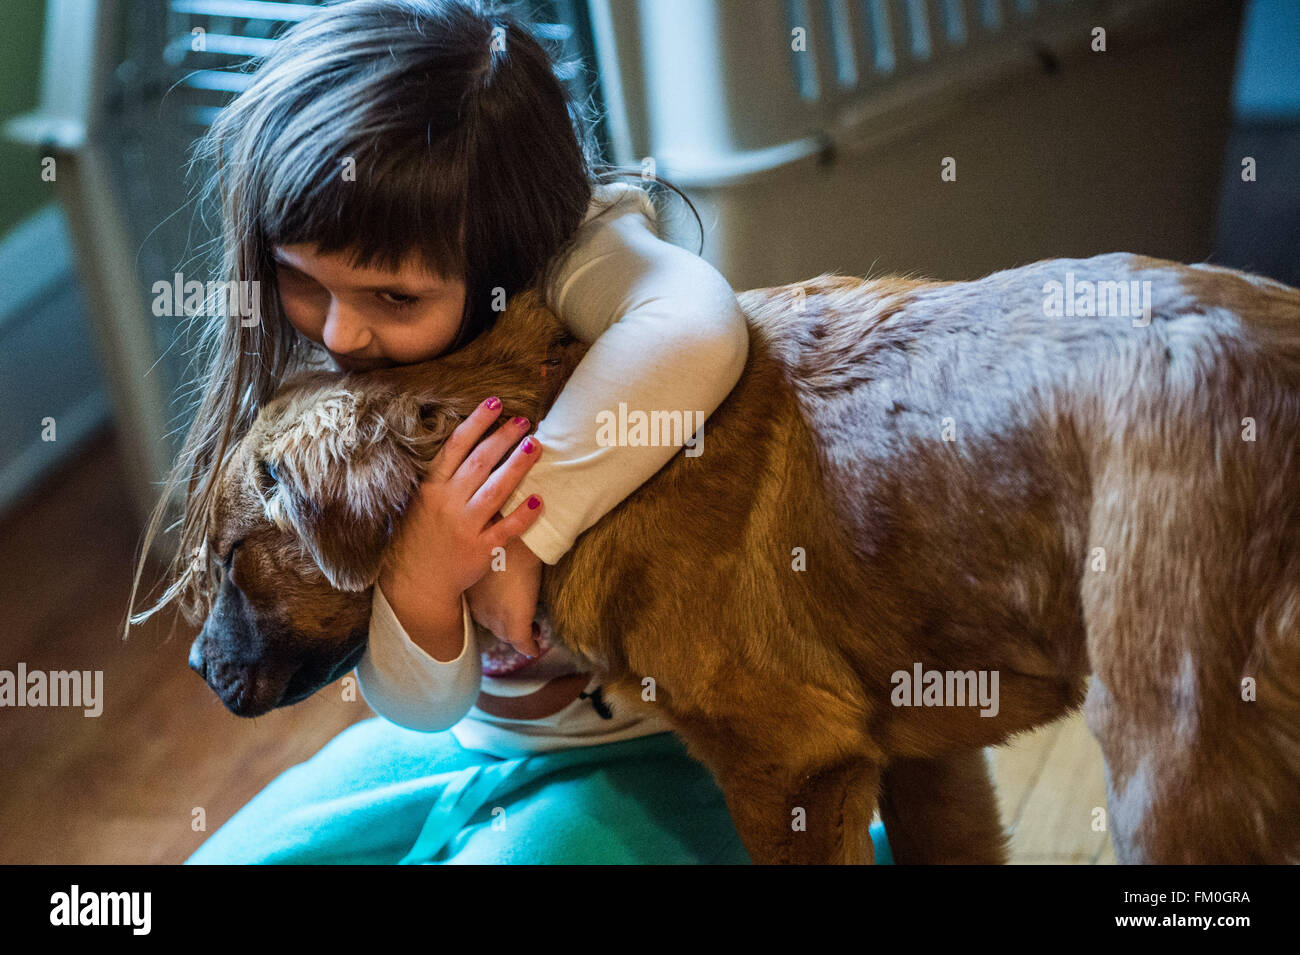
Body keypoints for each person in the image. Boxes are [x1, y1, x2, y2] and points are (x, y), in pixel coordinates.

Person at [132, 0, 890, 864]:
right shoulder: (332, 412)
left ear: (511, 251)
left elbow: (698, 328)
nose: (339, 333)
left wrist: (535, 522)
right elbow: (428, 705)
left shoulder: (575, 258)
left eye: (394, 297)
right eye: (304, 281)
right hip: (471, 736)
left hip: (660, 742)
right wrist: (423, 580)